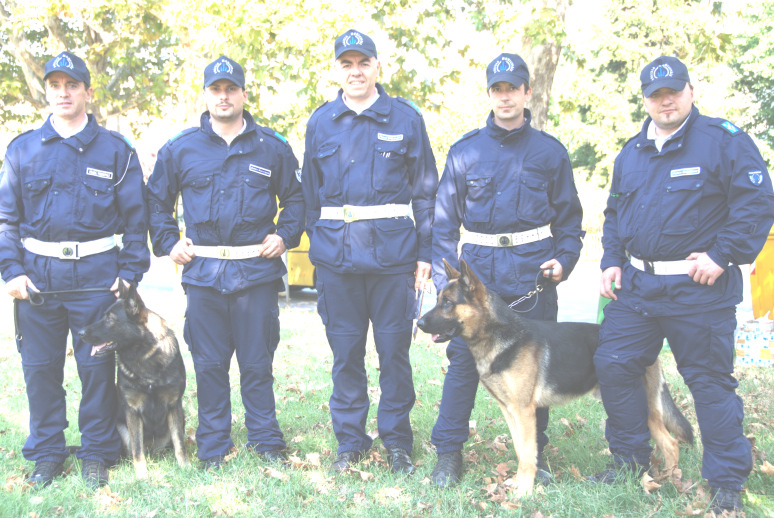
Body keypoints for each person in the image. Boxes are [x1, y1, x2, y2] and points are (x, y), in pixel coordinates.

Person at [593, 55, 774, 514]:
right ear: (646, 101)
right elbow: (614, 215)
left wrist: (723, 253)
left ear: (690, 91)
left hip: (699, 291)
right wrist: (611, 261)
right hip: (636, 288)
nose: (665, 100)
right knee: (613, 365)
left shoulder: (723, 142)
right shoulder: (631, 152)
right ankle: (630, 460)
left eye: (673, 91)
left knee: (709, 385)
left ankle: (727, 479)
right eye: (656, 95)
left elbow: (756, 203)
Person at [429, 53, 583, 487]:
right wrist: (449, 285)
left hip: (532, 277)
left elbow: (570, 222)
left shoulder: (550, 153)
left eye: (512, 88)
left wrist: (564, 260)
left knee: (536, 369)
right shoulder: (465, 152)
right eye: (497, 89)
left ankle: (535, 456)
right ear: (490, 94)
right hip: (478, 282)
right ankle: (449, 453)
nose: (505, 96)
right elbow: (443, 224)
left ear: (526, 92)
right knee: (463, 366)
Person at [0, 51, 150, 488]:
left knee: (97, 372)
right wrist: (11, 271)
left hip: (97, 283)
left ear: (87, 91)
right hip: (38, 282)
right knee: (41, 370)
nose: (63, 93)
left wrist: (130, 272)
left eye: (72, 85)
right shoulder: (22, 149)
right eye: (54, 85)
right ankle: (47, 453)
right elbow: (6, 219)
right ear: (46, 91)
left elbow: (136, 220)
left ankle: (97, 452)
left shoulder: (116, 151)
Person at [146, 56, 304, 469]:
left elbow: (297, 199)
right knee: (210, 364)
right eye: (216, 89)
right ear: (206, 95)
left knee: (256, 362)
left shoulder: (272, 147)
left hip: (255, 274)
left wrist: (284, 235)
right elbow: (156, 201)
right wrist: (168, 242)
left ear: (243, 94)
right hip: (204, 277)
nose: (224, 96)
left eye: (231, 89)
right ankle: (214, 443)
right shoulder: (181, 149)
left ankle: (264, 438)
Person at [301, 30, 438, 474]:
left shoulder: (405, 118)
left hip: (394, 259)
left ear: (378, 67)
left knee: (394, 352)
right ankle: (351, 442)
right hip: (336, 261)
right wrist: (320, 246)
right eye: (347, 64)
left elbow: (426, 193)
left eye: (364, 63)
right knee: (346, 355)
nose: (355, 71)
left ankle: (397, 441)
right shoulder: (321, 121)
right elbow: (309, 196)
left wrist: (425, 252)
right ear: (336, 70)